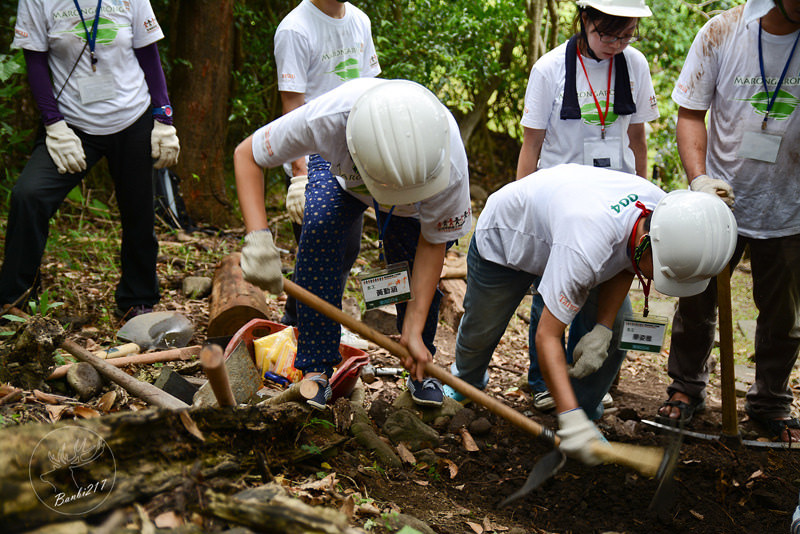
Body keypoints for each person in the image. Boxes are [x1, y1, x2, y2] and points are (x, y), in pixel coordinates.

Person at [448, 164, 737, 464]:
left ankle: (583, 415)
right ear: (646, 246)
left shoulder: (662, 214)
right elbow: (547, 336)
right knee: (481, 332)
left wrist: (603, 326)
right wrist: (567, 414)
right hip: (510, 240)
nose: (657, 282)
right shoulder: (587, 243)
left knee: (620, 326)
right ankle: (466, 381)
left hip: (567, 235)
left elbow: (626, 261)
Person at [234, 78, 472, 409]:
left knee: (414, 264)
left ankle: (420, 362)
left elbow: (432, 245)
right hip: (340, 176)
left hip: (418, 200)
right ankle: (316, 368)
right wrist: (258, 239)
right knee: (320, 232)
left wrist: (413, 330)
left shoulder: (449, 164)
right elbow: (247, 155)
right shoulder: (326, 120)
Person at [655, 0, 800, 443]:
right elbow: (690, 113)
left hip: (791, 206)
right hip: (719, 202)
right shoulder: (723, 32)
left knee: (785, 315)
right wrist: (699, 182)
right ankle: (686, 387)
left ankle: (771, 400)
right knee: (697, 300)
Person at [513, 0, 659, 413]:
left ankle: (585, 380)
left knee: (607, 291)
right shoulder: (550, 69)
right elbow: (532, 144)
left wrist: (644, 194)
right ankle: (543, 379)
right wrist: (523, 202)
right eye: (608, 34)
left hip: (619, 201)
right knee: (554, 294)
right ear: (585, 19)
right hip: (562, 202)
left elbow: (637, 138)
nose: (617, 44)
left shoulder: (635, 65)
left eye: (627, 33)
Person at [0, 0, 179, 320]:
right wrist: (53, 123)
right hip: (72, 125)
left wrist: (163, 117)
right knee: (29, 195)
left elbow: (148, 53)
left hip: (133, 116)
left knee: (139, 212)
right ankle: (16, 301)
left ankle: (138, 300)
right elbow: (36, 61)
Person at [274, 0, 380, 328]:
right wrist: (299, 175)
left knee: (346, 250)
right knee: (318, 254)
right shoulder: (295, 28)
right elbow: (292, 106)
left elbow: (370, 90)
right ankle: (299, 330)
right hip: (313, 156)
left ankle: (312, 325)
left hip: (352, 154)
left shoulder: (360, 21)